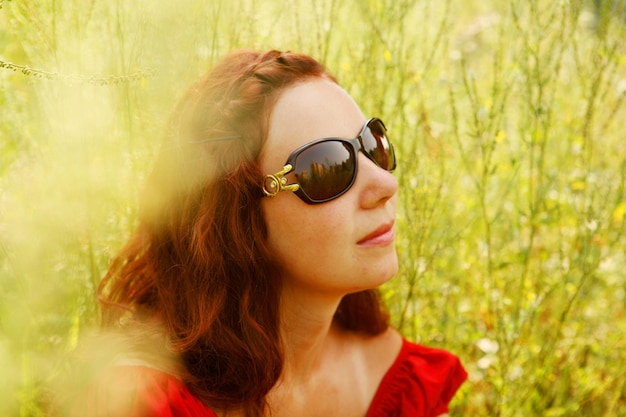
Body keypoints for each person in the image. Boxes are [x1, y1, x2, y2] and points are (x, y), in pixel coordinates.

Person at [69, 49, 467, 417]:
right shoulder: (141, 400)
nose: (385, 184)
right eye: (325, 167)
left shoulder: (400, 384)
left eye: (373, 146)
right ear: (235, 219)